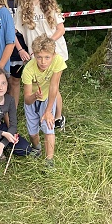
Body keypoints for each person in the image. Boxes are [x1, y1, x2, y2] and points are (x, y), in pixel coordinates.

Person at [15, 0, 67, 128]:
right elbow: (12, 31)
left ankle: (58, 117)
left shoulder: (50, 6)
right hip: (35, 53)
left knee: (53, 84)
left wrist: (48, 43)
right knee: (39, 85)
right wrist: (20, 49)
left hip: (54, 52)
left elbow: (61, 29)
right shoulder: (22, 9)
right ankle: (40, 113)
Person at [21, 36, 66, 167]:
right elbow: (27, 99)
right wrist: (35, 96)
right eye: (39, 57)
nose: (43, 62)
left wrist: (48, 111)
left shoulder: (58, 61)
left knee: (49, 127)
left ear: (53, 55)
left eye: (47, 57)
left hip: (47, 97)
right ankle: (37, 148)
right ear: (34, 55)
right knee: (32, 132)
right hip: (33, 99)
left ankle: (49, 161)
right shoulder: (28, 69)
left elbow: (54, 86)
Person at [0, 0, 29, 108]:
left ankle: (13, 111)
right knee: (5, 80)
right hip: (4, 45)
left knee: (16, 80)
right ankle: (2, 110)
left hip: (21, 44)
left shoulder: (24, 1)